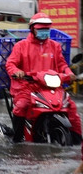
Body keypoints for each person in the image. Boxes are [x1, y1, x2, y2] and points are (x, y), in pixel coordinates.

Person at [5, 12, 82, 143]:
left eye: (46, 29)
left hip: (50, 86)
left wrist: (69, 73)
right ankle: (17, 139)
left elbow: (62, 64)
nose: (44, 32)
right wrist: (17, 71)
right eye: (40, 29)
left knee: (71, 107)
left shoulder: (54, 46)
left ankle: (77, 140)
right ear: (32, 29)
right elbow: (10, 63)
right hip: (27, 86)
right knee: (22, 106)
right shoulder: (21, 46)